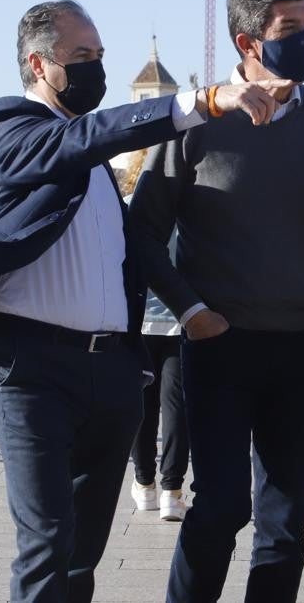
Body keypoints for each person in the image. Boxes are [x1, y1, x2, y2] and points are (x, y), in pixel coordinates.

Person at [0, 0, 291, 602]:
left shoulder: (96, 166)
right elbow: (82, 137)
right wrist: (203, 100)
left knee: (83, 551)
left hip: (110, 372)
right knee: (48, 541)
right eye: (82, 57)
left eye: (101, 56)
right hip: (31, 368)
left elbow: (135, 245)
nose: (96, 68)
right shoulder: (9, 127)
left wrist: (187, 310)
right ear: (38, 63)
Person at [130, 0, 304, 603]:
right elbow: (140, 235)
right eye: (289, 30)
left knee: (286, 523)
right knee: (219, 507)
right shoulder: (195, 125)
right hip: (219, 346)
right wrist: (190, 312)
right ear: (248, 42)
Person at [122, 154, 191, 523]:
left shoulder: (129, 207)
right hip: (184, 318)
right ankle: (172, 490)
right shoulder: (190, 209)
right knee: (177, 409)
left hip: (138, 319)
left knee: (142, 408)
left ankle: (144, 483)